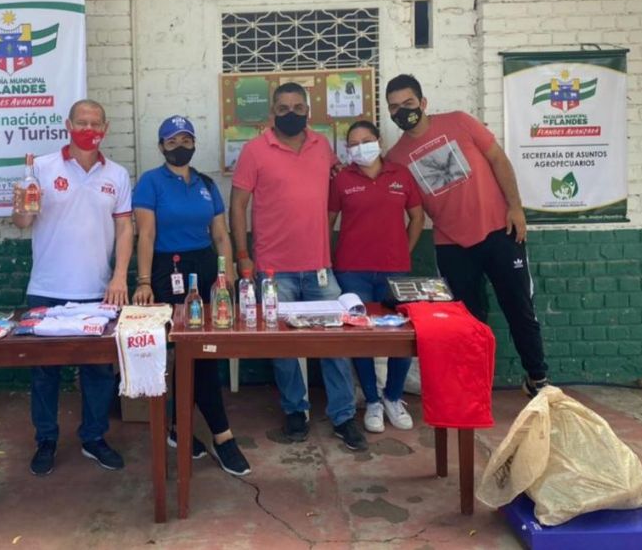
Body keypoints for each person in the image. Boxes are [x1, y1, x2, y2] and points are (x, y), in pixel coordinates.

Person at [384, 74, 549, 396]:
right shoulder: (395, 158)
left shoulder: (459, 122)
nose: (403, 111)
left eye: (409, 103)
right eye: (395, 107)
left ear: (423, 102)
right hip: (452, 245)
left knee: (519, 308)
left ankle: (538, 379)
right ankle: (475, 384)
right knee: (469, 320)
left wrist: (516, 207)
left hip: (500, 231)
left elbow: (498, 159)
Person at [230, 82, 367, 451]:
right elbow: (238, 204)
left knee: (335, 343)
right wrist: (243, 255)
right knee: (284, 346)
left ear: (308, 110)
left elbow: (344, 181)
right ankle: (295, 411)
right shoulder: (254, 150)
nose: (291, 114)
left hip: (320, 266)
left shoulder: (322, 146)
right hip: (274, 269)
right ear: (271, 112)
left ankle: (342, 416)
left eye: (297, 107)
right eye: (283, 108)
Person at [12, 99, 133, 476]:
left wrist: (119, 276)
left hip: (97, 290)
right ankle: (46, 439)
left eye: (95, 122)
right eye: (81, 121)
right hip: (47, 287)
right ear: (68, 124)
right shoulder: (42, 168)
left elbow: (126, 227)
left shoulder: (117, 174)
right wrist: (23, 208)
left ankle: (93, 438)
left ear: (106, 127)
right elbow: (21, 223)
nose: (88, 127)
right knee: (44, 371)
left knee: (98, 372)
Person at [132, 115, 251, 476]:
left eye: (186, 140)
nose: (179, 147)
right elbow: (147, 235)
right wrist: (143, 281)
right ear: (161, 146)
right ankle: (223, 435)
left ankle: (177, 429)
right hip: (167, 273)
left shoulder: (205, 184)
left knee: (200, 350)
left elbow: (220, 234)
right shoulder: (150, 183)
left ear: (194, 143)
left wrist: (225, 273)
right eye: (172, 142)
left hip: (204, 269)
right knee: (193, 351)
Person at [328, 120, 425, 432]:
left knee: (402, 336)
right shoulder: (342, 179)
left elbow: (417, 216)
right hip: (351, 271)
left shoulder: (401, 175)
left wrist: (404, 250)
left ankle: (393, 397)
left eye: (366, 140)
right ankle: (371, 400)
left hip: (395, 270)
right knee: (361, 337)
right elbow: (327, 223)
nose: (360, 148)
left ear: (379, 141)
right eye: (353, 143)